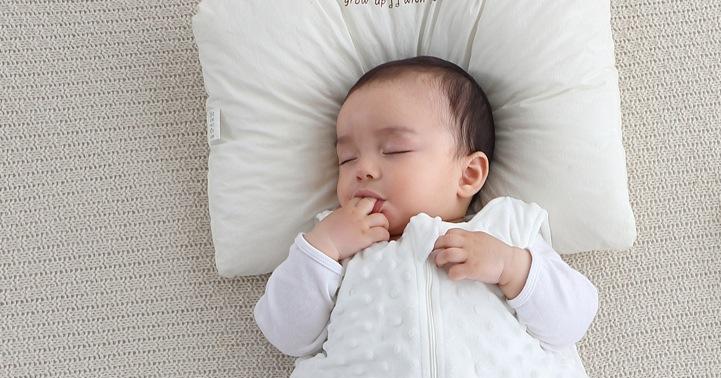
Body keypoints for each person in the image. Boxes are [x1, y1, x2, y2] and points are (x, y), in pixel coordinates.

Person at [253, 55, 599, 358]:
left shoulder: (507, 228)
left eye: (394, 150)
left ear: (468, 174)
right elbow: (286, 335)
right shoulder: (337, 246)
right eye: (347, 158)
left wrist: (511, 267)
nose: (363, 169)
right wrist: (324, 246)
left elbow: (572, 322)